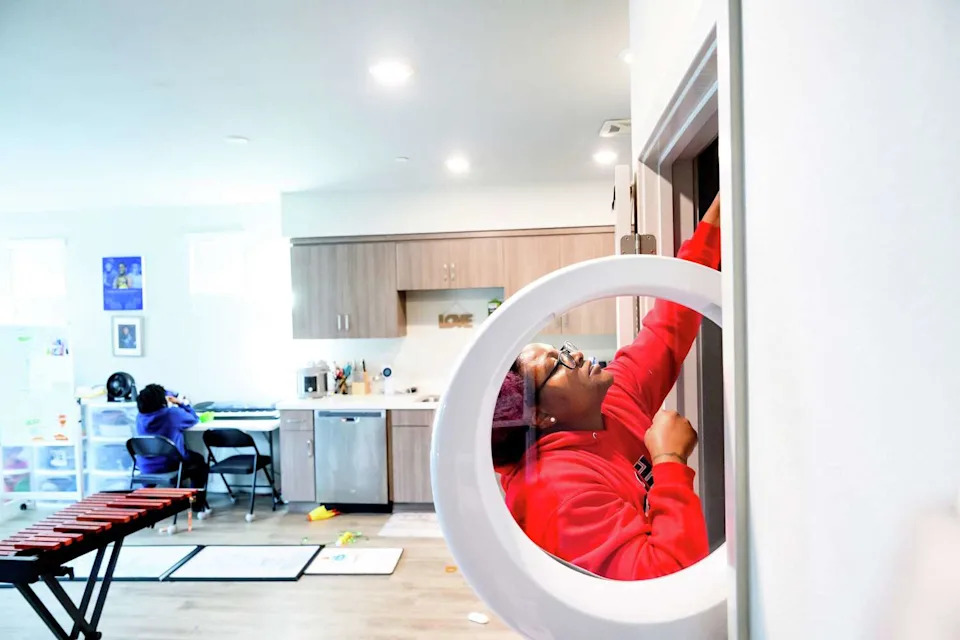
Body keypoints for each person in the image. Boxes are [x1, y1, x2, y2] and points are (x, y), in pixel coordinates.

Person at [492, 193, 721, 581]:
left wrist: (723, 211)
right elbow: (663, 581)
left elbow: (671, 321)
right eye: (557, 364)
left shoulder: (611, 400)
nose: (576, 355)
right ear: (538, 415)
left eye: (563, 349)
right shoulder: (554, 489)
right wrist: (669, 461)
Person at [135, 384, 208, 512]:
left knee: (179, 457)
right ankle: (196, 504)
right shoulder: (171, 414)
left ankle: (146, 496)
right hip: (170, 464)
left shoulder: (139, 418)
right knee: (199, 462)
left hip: (145, 466)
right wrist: (180, 403)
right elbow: (194, 419)